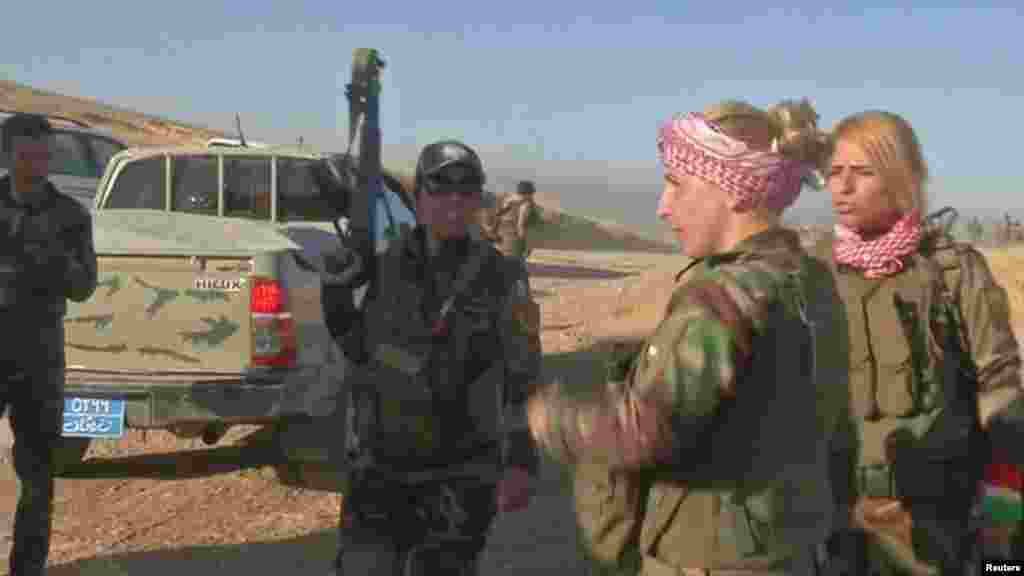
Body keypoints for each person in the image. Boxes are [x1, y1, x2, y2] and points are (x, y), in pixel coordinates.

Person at [527, 99, 847, 575]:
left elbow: (644, 428)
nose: (663, 206)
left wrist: (546, 416)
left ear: (734, 190)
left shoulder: (724, 295)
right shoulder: (812, 280)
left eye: (677, 184)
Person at [814, 109, 1024, 574]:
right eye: (834, 173)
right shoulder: (811, 274)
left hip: (935, 517)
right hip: (834, 512)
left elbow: (999, 382)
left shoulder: (953, 271)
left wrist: (1002, 502)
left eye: (862, 173)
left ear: (900, 179)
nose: (842, 187)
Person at [322, 139, 542, 575]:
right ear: (420, 198)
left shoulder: (502, 277)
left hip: (460, 476)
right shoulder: (384, 267)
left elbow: (523, 374)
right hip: (380, 470)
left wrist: (520, 460)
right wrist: (335, 292)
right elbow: (358, 347)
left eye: (467, 191)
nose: (454, 202)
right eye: (441, 189)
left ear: (478, 200)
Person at [0, 112, 98, 575]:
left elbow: (84, 286)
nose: (36, 164)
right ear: (7, 154)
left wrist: (52, 255)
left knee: (38, 477)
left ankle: (27, 568)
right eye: (27, 154)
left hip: (39, 355)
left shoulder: (69, 215)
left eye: (43, 154)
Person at [491, 179, 538, 261]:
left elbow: (498, 217)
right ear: (529, 193)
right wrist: (526, 245)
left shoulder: (508, 201)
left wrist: (494, 234)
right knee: (514, 268)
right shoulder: (526, 205)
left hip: (500, 240)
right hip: (514, 242)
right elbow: (520, 226)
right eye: (532, 193)